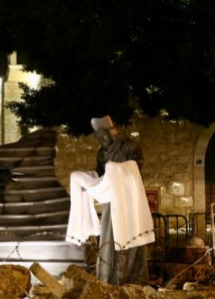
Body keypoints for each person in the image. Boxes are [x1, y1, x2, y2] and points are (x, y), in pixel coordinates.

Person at [66, 116, 154, 285]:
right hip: (110, 202)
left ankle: (133, 278)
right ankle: (108, 277)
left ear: (110, 132)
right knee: (109, 238)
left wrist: (117, 170)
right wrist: (88, 179)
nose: (99, 139)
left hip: (129, 200)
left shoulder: (130, 147)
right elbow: (101, 175)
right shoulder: (101, 153)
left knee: (131, 236)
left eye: (101, 135)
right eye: (97, 136)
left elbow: (136, 167)